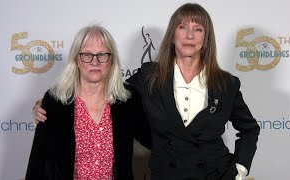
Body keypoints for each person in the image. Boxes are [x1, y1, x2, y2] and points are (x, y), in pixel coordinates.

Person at [32, 3, 260, 180]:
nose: (190, 35)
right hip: (166, 176)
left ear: (206, 38)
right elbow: (110, 90)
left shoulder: (227, 83)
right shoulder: (148, 77)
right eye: (183, 27)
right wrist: (46, 106)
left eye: (197, 29)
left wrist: (240, 169)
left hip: (216, 174)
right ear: (172, 35)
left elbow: (249, 128)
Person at [26, 25, 150, 180]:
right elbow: (38, 160)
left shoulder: (127, 99)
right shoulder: (56, 100)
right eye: (87, 55)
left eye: (102, 55)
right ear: (76, 59)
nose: (95, 62)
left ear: (111, 60)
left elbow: (155, 138)